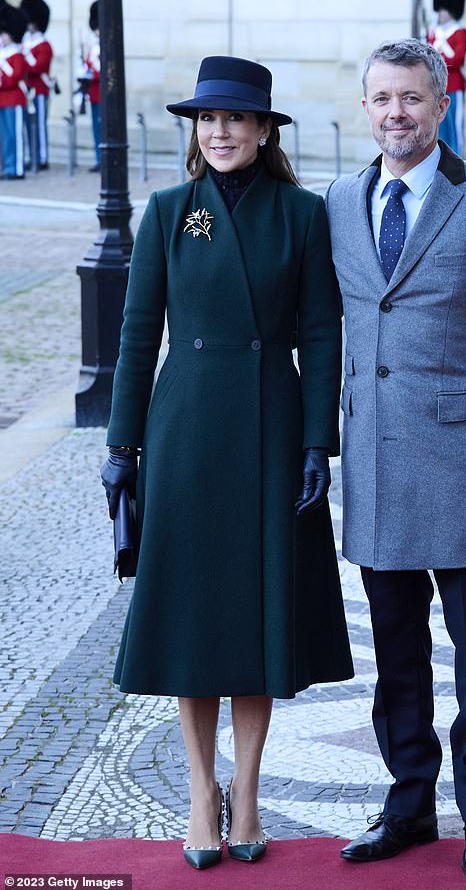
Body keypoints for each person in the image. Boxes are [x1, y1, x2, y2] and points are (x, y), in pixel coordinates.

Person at [100, 55, 353, 870]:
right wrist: (119, 445)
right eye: (208, 120)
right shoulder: (168, 212)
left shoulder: (303, 214)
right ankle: (199, 791)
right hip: (186, 433)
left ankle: (246, 792)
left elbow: (321, 333)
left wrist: (319, 441)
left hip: (272, 429)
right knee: (194, 619)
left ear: (264, 130)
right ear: (195, 130)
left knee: (256, 615)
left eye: (236, 120)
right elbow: (138, 337)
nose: (220, 133)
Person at [325, 39, 466, 878]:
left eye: (412, 99)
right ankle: (410, 802)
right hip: (377, 464)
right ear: (365, 106)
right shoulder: (341, 201)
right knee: (394, 653)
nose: (397, 114)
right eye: (382, 98)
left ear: (441, 102)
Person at [428, 0, 466, 156]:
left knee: (455, 126)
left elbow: (457, 59)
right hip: (438, 87)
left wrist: (442, 46)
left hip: (455, 86)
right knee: (439, 126)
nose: (441, 14)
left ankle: (457, 158)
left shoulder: (460, 32)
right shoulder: (434, 32)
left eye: (444, 10)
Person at [21, 0, 54, 171]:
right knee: (28, 125)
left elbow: (37, 67)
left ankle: (42, 157)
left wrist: (24, 58)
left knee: (39, 124)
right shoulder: (26, 42)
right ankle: (31, 155)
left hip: (39, 89)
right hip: (27, 90)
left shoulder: (44, 45)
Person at [0, 4, 27, 180]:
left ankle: (17, 168)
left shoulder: (17, 54)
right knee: (5, 137)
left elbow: (16, 76)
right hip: (2, 99)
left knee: (15, 135)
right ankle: (8, 165)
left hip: (15, 99)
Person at [84, 0, 101, 172]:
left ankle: (104, 159)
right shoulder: (93, 47)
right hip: (94, 93)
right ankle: (99, 158)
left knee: (103, 127)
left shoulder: (106, 47)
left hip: (104, 93)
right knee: (96, 127)